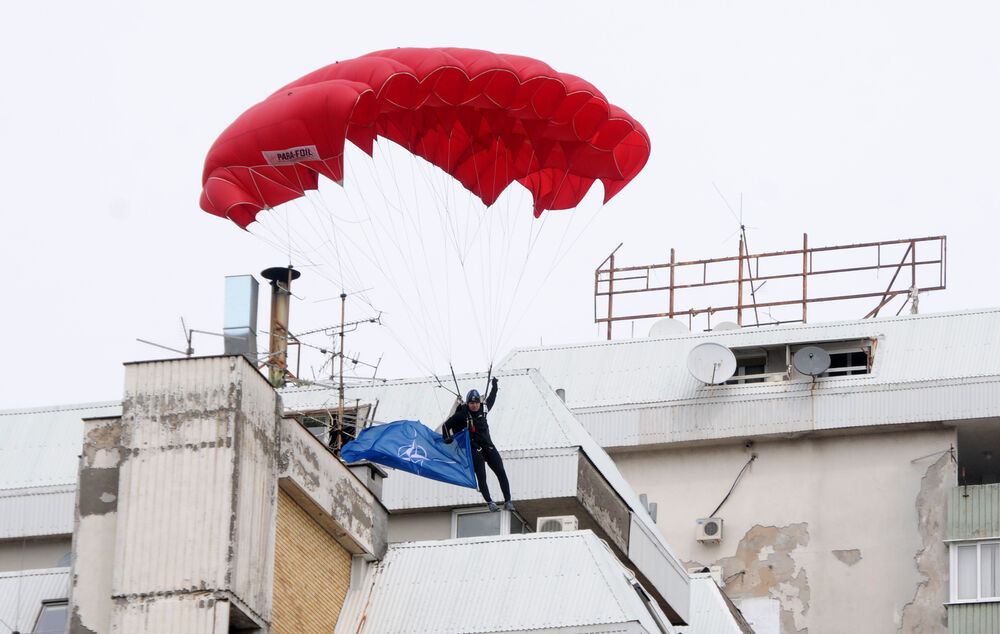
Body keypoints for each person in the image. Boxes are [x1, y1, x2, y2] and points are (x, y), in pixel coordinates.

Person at [443, 377, 513, 512]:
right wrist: (447, 438)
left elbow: (492, 398)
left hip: (488, 445)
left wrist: (494, 386)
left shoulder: (484, 408)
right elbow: (447, 425)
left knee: (501, 471)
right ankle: (490, 502)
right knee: (482, 475)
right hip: (475, 448)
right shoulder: (462, 414)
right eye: (471, 403)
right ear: (468, 404)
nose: (474, 405)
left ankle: (508, 501)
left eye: (476, 403)